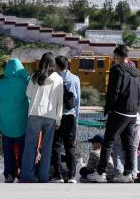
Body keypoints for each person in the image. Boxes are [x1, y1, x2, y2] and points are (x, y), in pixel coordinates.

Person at [87, 45, 140, 183]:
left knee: (108, 143)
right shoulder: (137, 72)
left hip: (119, 112)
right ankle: (128, 174)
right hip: (132, 114)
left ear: (117, 56)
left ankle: (100, 173)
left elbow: (114, 90)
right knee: (129, 144)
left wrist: (109, 108)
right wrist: (135, 109)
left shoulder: (116, 69)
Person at [20, 52, 64, 183]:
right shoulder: (58, 79)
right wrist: (58, 119)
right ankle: (43, 176)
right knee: (47, 148)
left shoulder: (35, 76)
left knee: (30, 146)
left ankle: (28, 175)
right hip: (50, 116)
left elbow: (28, 94)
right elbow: (60, 102)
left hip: (35, 113)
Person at [0, 58, 30, 183]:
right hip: (21, 123)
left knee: (8, 151)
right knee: (22, 150)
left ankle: (9, 174)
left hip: (6, 124)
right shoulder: (24, 83)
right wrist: (25, 74)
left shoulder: (1, 83)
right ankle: (21, 174)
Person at [50, 55, 81, 183]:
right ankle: (72, 176)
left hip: (57, 117)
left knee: (56, 147)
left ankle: (58, 175)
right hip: (71, 116)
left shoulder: (53, 79)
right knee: (70, 147)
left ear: (57, 66)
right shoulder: (75, 78)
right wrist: (76, 118)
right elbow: (77, 101)